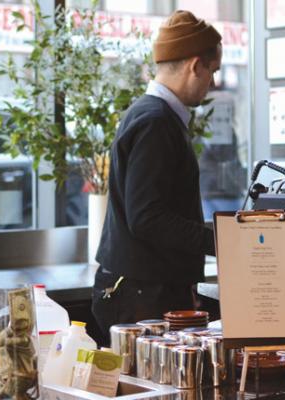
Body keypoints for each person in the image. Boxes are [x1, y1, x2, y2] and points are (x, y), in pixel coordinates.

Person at [91, 10, 222, 343]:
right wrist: (223, 242)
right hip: (142, 295)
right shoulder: (156, 122)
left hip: (145, 290)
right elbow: (147, 217)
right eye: (213, 71)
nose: (214, 83)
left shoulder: (154, 115)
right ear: (195, 66)